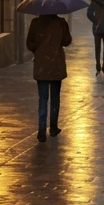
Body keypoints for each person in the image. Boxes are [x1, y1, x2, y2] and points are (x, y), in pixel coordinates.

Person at [25, 13, 72, 141]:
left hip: (41, 66)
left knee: (43, 98)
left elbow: (29, 43)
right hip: (56, 65)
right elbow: (67, 41)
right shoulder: (61, 23)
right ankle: (53, 127)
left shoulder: (36, 23)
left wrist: (39, 51)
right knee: (55, 98)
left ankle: (41, 130)